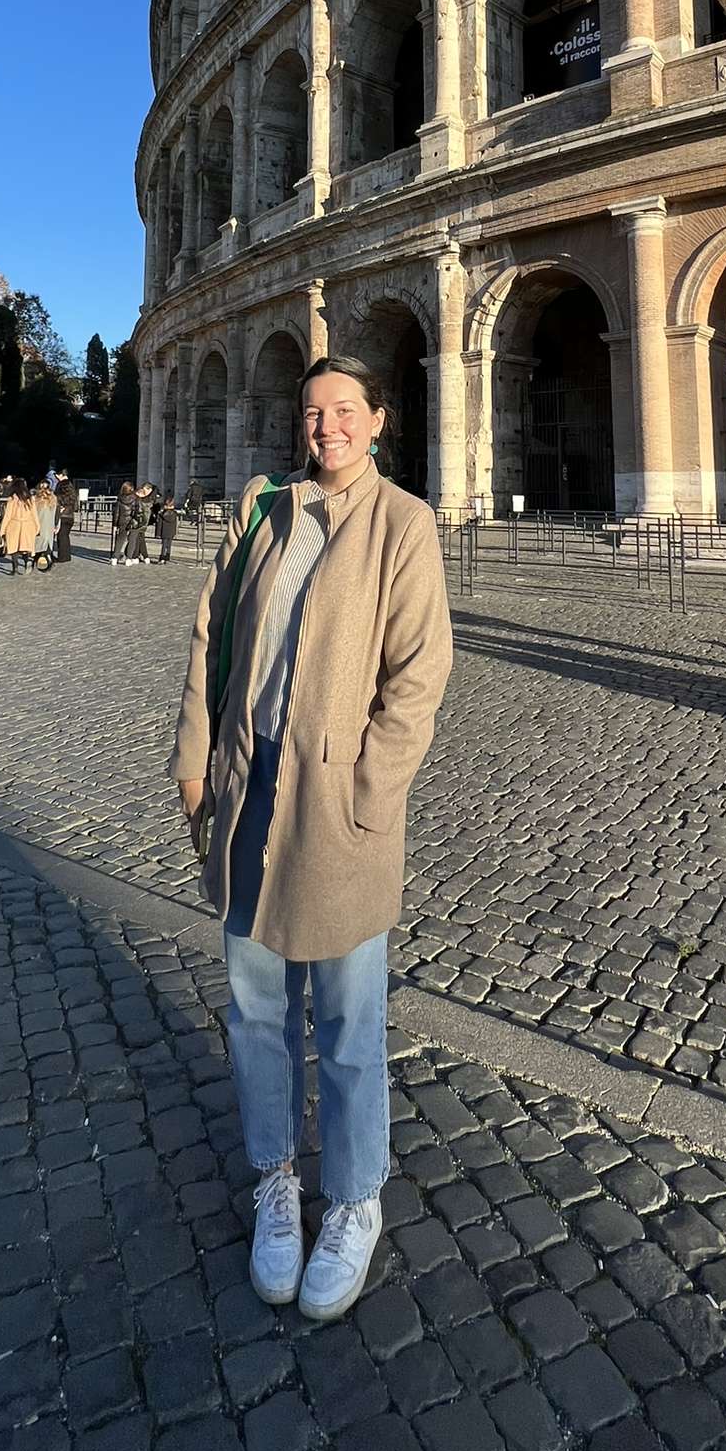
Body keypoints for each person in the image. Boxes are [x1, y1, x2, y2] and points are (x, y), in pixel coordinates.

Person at [171, 356, 453, 1324]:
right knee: (254, 1011)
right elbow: (212, 635)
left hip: (337, 809)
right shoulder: (266, 511)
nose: (325, 426)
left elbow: (418, 678)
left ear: (378, 421)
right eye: (312, 411)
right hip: (250, 797)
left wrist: (369, 791)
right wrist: (195, 752)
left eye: (344, 411)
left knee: (345, 1019)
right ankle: (276, 1180)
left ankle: (356, 1197)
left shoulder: (403, 524)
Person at [0, 478, 38, 574]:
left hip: (14, 525)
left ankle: (15, 568)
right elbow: (34, 514)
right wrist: (37, 527)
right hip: (28, 525)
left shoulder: (12, 499)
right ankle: (27, 561)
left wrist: (2, 529)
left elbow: (8, 515)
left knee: (13, 547)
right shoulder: (30, 499)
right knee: (26, 546)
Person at [110, 481, 141, 566]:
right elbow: (137, 511)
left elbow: (116, 513)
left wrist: (115, 525)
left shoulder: (120, 499)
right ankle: (128, 559)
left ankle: (115, 558)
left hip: (122, 521)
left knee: (120, 540)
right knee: (132, 540)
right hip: (133, 522)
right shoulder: (136, 499)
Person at [54, 472, 78, 563]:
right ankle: (67, 556)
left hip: (63, 515)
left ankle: (62, 557)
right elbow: (76, 505)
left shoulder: (60, 489)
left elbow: (57, 500)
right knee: (66, 536)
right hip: (70, 516)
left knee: (61, 537)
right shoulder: (72, 490)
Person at [33, 480, 57, 565]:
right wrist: (56, 524)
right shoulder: (53, 497)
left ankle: (39, 558)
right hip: (49, 523)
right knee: (47, 540)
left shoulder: (36, 498)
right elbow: (56, 512)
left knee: (39, 541)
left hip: (39, 521)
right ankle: (47, 556)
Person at [131, 483, 156, 566]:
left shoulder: (146, 499)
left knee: (139, 539)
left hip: (141, 521)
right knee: (139, 539)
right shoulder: (141, 498)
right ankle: (143, 556)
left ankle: (137, 556)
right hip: (140, 521)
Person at [156, 492, 179, 565]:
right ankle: (167, 557)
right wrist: (175, 533)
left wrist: (157, 534)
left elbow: (159, 525)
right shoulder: (174, 514)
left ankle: (162, 558)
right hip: (171, 532)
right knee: (169, 545)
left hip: (164, 532)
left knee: (164, 545)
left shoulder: (161, 514)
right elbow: (175, 524)